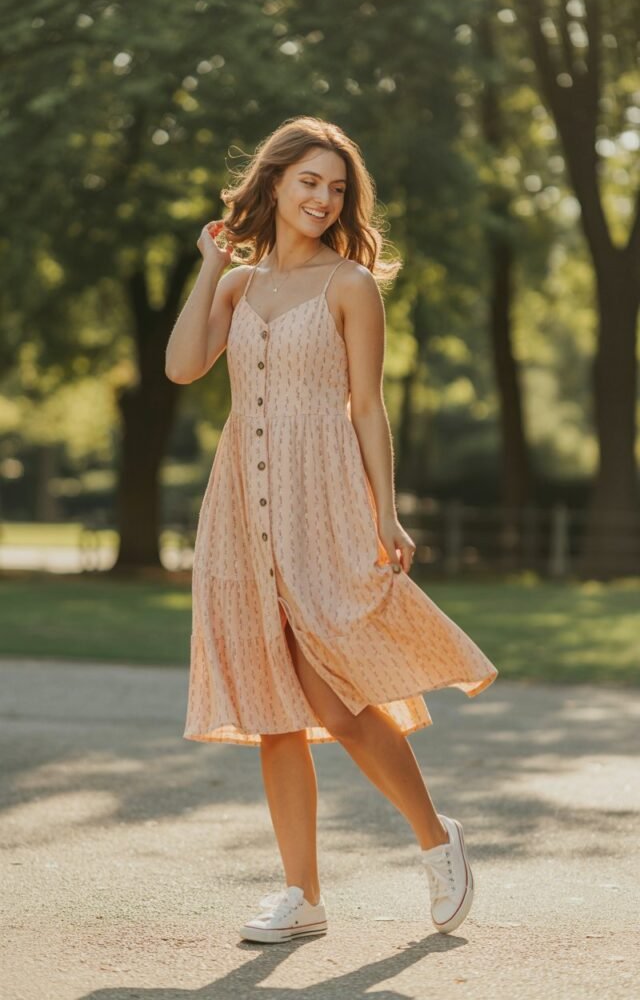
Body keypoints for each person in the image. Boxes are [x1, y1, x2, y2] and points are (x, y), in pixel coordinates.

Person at [165, 115, 498, 944]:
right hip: (240, 510)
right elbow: (181, 366)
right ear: (275, 183)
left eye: (337, 188)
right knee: (274, 712)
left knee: (336, 702)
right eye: (309, 181)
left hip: (322, 500)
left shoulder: (350, 285)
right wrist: (210, 266)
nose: (322, 198)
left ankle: (437, 840)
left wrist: (385, 511)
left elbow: (367, 407)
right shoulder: (238, 287)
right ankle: (301, 895)